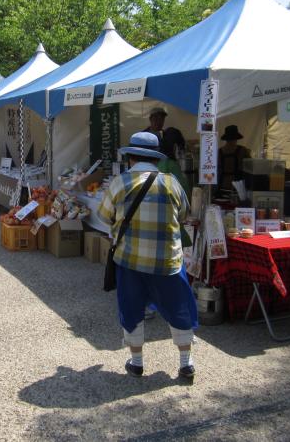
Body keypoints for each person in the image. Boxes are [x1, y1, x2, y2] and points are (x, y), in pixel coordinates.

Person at [98, 132, 198, 380]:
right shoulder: (172, 182)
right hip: (168, 261)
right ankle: (186, 363)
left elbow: (103, 216)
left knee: (132, 308)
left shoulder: (120, 182)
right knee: (179, 306)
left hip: (129, 260)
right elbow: (185, 214)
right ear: (155, 159)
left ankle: (137, 362)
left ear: (130, 157)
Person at [217, 125, 251, 192]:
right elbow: (250, 167)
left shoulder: (219, 151)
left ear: (226, 139)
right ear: (236, 138)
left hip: (222, 184)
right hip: (238, 186)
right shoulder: (243, 150)